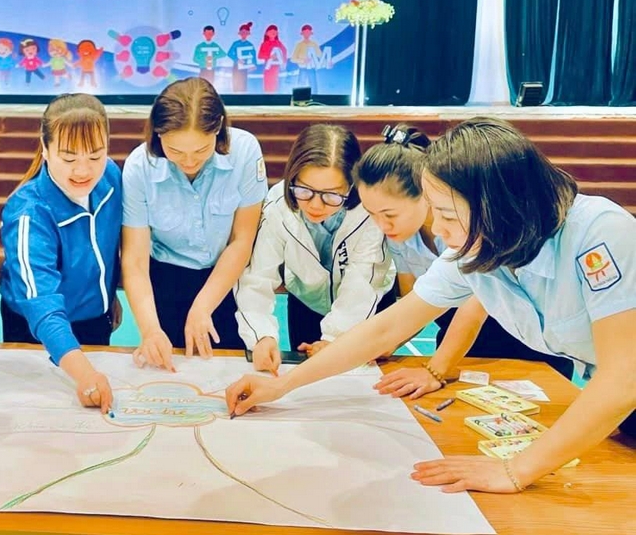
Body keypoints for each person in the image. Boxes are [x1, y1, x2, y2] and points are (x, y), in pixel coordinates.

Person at [227, 117, 636, 494]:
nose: (438, 229)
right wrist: (283, 385)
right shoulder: (476, 246)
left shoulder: (600, 234)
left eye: (446, 215)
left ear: (499, 204)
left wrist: (515, 470)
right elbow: (386, 328)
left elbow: (623, 377)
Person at [354, 124, 573, 399]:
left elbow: (474, 310)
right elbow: (415, 304)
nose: (381, 224)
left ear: (425, 195)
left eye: (389, 214)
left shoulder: (471, 230)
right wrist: (391, 341)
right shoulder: (402, 238)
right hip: (455, 343)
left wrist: (436, 369)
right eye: (371, 214)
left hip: (520, 341)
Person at [122, 78, 266, 369]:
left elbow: (242, 239)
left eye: (201, 150)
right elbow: (135, 261)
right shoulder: (139, 167)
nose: (188, 162)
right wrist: (150, 330)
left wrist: (203, 306)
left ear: (218, 128)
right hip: (166, 281)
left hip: (227, 278)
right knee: (167, 370)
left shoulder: (245, 151)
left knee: (229, 370)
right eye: (175, 151)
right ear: (158, 133)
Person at [235, 124, 395, 375]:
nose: (316, 205)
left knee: (362, 384)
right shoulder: (277, 206)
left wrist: (335, 339)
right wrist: (261, 335)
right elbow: (257, 277)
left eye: (331, 195)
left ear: (352, 186)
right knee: (305, 387)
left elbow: (362, 283)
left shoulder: (369, 210)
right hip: (306, 303)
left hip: (368, 309)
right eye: (304, 190)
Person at [0, 94, 122, 413]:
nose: (83, 170)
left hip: (94, 319)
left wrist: (108, 295)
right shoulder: (28, 213)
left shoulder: (111, 177)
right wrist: (85, 375)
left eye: (95, 155)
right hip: (37, 331)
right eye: (68, 158)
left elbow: (108, 246)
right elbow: (41, 304)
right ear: (45, 147)